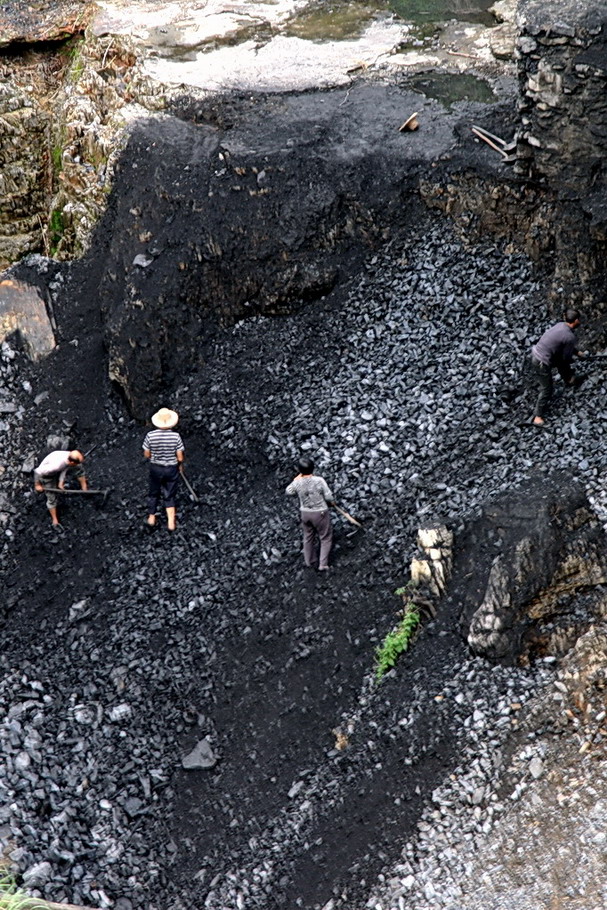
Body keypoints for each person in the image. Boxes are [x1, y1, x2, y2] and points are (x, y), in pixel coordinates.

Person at [531, 309, 586, 426]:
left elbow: (563, 344)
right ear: (575, 321)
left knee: (561, 363)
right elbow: (565, 358)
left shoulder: (560, 325)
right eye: (579, 319)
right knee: (547, 389)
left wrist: (578, 353)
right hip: (541, 361)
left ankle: (569, 380)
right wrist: (574, 358)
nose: (580, 321)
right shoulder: (570, 336)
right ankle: (537, 417)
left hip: (538, 353)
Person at [286, 457, 334, 571]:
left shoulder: (297, 482)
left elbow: (288, 491)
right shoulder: (319, 480)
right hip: (320, 512)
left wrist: (297, 478)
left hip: (305, 512)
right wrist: (330, 502)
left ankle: (309, 561)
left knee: (308, 537)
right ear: (313, 468)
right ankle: (322, 564)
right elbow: (328, 496)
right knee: (325, 537)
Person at [143, 407, 184, 532]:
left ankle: (151, 517)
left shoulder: (150, 436)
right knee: (169, 494)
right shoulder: (176, 437)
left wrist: (154, 456)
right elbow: (180, 457)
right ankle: (171, 522)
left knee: (153, 492)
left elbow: (146, 454)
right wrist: (180, 465)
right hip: (171, 469)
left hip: (156, 468)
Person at [34, 450, 87, 527]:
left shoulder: (68, 456)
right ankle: (55, 521)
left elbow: (65, 467)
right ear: (72, 462)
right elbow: (37, 471)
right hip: (46, 476)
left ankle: (84, 488)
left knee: (78, 467)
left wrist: (60, 482)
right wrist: (37, 485)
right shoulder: (55, 466)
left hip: (57, 467)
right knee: (52, 497)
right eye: (78, 461)